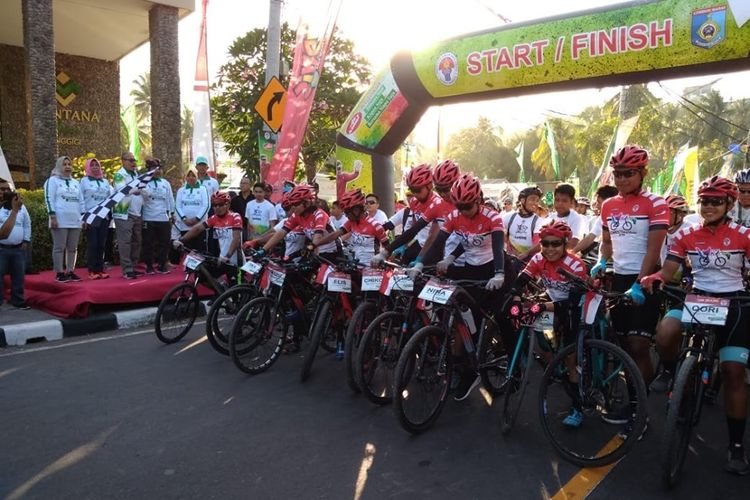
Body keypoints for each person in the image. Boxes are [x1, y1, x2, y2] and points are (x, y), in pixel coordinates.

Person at [641, 176, 750, 475]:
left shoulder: (744, 235)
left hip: (734, 304)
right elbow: (670, 268)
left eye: (716, 201)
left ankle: (736, 446)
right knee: (665, 333)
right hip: (698, 297)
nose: (709, 206)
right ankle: (672, 373)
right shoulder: (686, 234)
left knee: (733, 373)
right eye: (704, 201)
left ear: (729, 204)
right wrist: (656, 277)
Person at [592, 144, 668, 438]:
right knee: (623, 346)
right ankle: (634, 397)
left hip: (646, 280)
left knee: (638, 346)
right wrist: (601, 261)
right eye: (618, 173)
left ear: (642, 173)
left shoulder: (656, 203)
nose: (621, 179)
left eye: (628, 173)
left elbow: (653, 249)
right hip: (619, 279)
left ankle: (640, 407)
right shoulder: (609, 205)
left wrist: (641, 280)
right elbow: (606, 241)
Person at [410, 174, 506, 401]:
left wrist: (500, 273)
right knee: (459, 315)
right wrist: (422, 263)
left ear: (479, 200)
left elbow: (498, 247)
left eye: (468, 206)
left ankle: (509, 359)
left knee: (498, 314)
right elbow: (438, 243)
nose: (463, 210)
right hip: (470, 269)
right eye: (460, 205)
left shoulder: (493, 216)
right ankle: (466, 363)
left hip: (494, 268)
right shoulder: (455, 215)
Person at [507, 220, 588, 427]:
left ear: (565, 244)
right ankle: (551, 361)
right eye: (546, 243)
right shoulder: (538, 258)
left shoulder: (575, 265)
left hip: (573, 307)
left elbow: (569, 304)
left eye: (555, 244)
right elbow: (520, 281)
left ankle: (577, 408)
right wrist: (516, 298)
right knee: (536, 333)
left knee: (570, 360)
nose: (550, 249)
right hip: (551, 302)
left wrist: (542, 307)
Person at [259, 185, 340, 261]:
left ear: (307, 203)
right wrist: (263, 250)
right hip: (315, 251)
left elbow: (317, 238)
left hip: (332, 253)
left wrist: (310, 249)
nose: (293, 207)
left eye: (295, 204)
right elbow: (281, 233)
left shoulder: (319, 214)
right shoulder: (297, 216)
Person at [175, 191, 244, 278]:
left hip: (235, 262)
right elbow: (198, 228)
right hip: (221, 259)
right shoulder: (214, 218)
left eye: (220, 204)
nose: (217, 207)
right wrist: (181, 240)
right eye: (214, 205)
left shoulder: (235, 217)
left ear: (228, 205)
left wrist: (228, 256)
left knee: (234, 290)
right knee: (203, 278)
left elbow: (236, 238)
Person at [315, 189, 388, 266]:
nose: (346, 215)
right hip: (356, 265)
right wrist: (315, 244)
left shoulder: (375, 225)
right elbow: (334, 235)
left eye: (347, 212)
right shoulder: (351, 222)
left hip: (372, 269)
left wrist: (381, 257)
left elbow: (387, 246)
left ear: (357, 210)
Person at [44, 156, 84, 282]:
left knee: (73, 248)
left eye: (69, 164)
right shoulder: (52, 181)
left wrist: (84, 217)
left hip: (75, 220)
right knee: (59, 247)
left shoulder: (76, 183)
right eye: (64, 164)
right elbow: (48, 198)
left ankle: (70, 271)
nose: (67, 166)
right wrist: (53, 216)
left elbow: (81, 201)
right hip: (59, 220)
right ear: (59, 166)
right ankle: (59, 272)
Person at [80, 158, 113, 279]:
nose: (95, 167)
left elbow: (110, 199)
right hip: (91, 216)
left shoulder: (105, 181)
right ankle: (92, 270)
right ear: (88, 167)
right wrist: (84, 216)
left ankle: (100, 269)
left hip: (104, 216)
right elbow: (81, 198)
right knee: (93, 244)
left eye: (97, 165)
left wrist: (110, 214)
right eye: (92, 165)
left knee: (101, 244)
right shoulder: (84, 181)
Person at [113, 151, 144, 280]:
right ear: (123, 161)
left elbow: (144, 190)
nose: (133, 163)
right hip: (123, 213)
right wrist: (136, 190)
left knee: (137, 241)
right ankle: (127, 269)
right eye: (130, 160)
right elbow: (122, 190)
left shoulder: (136, 175)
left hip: (137, 212)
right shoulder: (119, 175)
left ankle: (133, 266)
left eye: (134, 160)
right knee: (125, 242)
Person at [0, 180, 31, 308]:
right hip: (1, 248)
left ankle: (17, 300)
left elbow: (27, 224)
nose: (5, 192)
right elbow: (3, 234)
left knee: (18, 277)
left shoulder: (20, 206)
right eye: (2, 189)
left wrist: (25, 240)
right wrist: (14, 211)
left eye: (8, 189)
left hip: (18, 248)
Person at [141, 160, 174, 274]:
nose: (157, 171)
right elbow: (141, 198)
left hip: (163, 217)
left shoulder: (165, 183)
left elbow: (170, 199)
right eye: (154, 169)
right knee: (148, 243)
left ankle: (162, 264)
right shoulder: (143, 182)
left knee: (164, 242)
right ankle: (149, 266)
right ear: (149, 170)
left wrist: (172, 213)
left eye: (159, 168)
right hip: (148, 217)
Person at [572, 185, 619, 259]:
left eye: (599, 202)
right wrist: (572, 253)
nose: (597, 206)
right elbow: (590, 238)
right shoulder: (602, 218)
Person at [502, 186, 542, 265]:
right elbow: (500, 236)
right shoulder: (507, 217)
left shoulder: (539, 221)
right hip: (511, 262)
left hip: (530, 264)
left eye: (537, 200)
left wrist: (526, 253)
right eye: (532, 199)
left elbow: (540, 244)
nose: (536, 203)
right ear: (522, 200)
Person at [173, 169, 210, 255]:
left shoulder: (203, 189)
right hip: (185, 226)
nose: (191, 178)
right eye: (188, 176)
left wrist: (196, 219)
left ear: (197, 177)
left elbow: (206, 205)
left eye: (193, 175)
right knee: (187, 250)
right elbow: (178, 206)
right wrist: (184, 219)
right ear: (185, 178)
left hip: (199, 226)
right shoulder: (181, 190)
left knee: (200, 251)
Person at [549, 183, 586, 248]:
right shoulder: (550, 218)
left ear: (571, 202)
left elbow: (574, 242)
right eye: (557, 200)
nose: (560, 203)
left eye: (564, 201)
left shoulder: (576, 218)